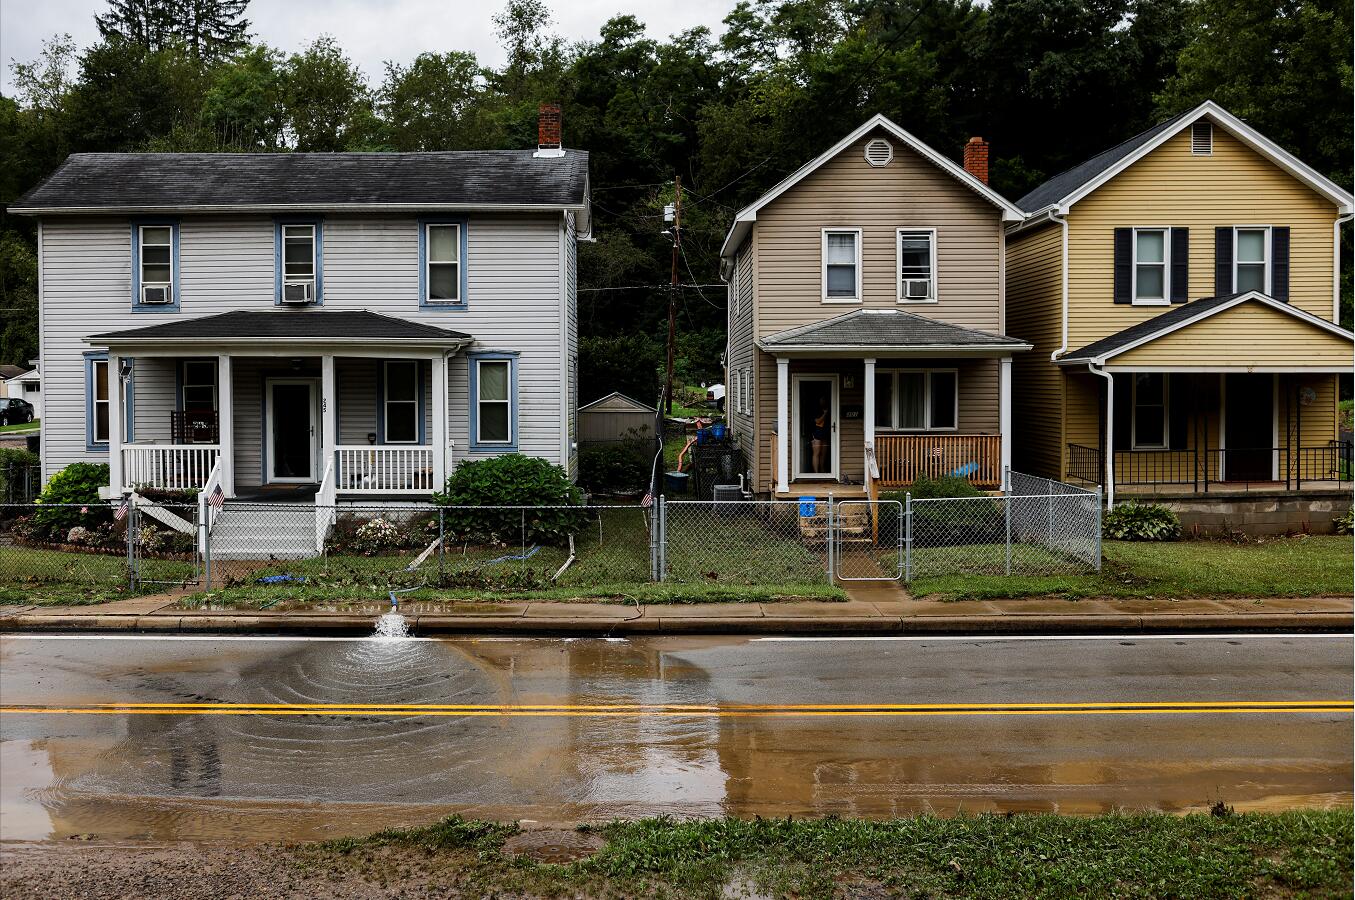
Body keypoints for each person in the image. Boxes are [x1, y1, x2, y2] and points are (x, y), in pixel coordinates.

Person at [811, 395, 831, 472]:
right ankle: (816, 473)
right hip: (817, 434)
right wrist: (825, 414)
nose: (823, 401)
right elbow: (818, 421)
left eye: (824, 399)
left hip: (825, 434)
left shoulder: (829, 409)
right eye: (822, 399)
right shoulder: (816, 410)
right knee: (816, 453)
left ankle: (822, 471)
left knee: (823, 455)